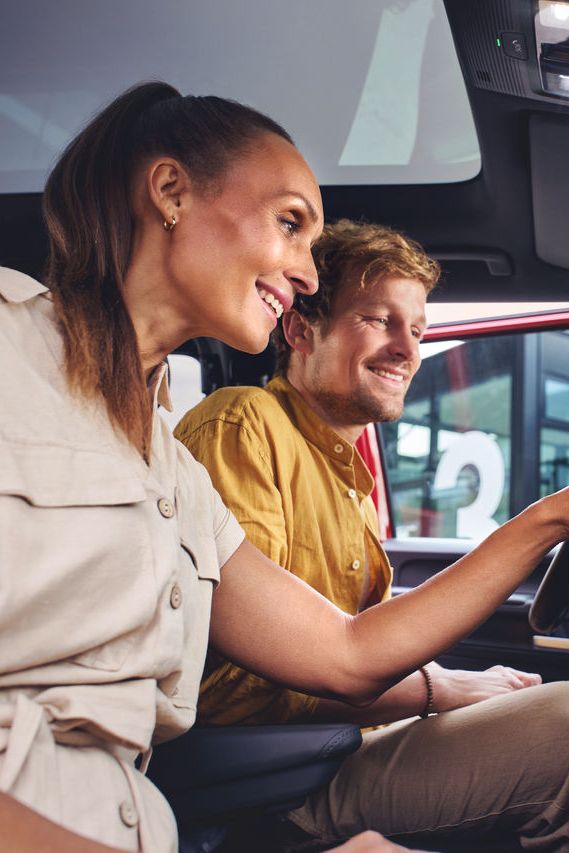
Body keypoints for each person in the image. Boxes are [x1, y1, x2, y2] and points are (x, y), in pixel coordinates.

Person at [2, 81, 569, 853]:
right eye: (290, 223)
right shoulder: (10, 351)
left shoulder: (173, 476)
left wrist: (550, 517)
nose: (305, 274)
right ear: (169, 191)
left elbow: (344, 651)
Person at [175, 219, 569, 850]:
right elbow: (233, 682)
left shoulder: (352, 483)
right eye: (379, 320)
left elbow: (367, 640)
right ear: (300, 329)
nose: (407, 349)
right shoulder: (242, 425)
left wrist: (454, 686)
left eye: (416, 330)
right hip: (282, 776)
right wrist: (444, 687)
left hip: (346, 745)